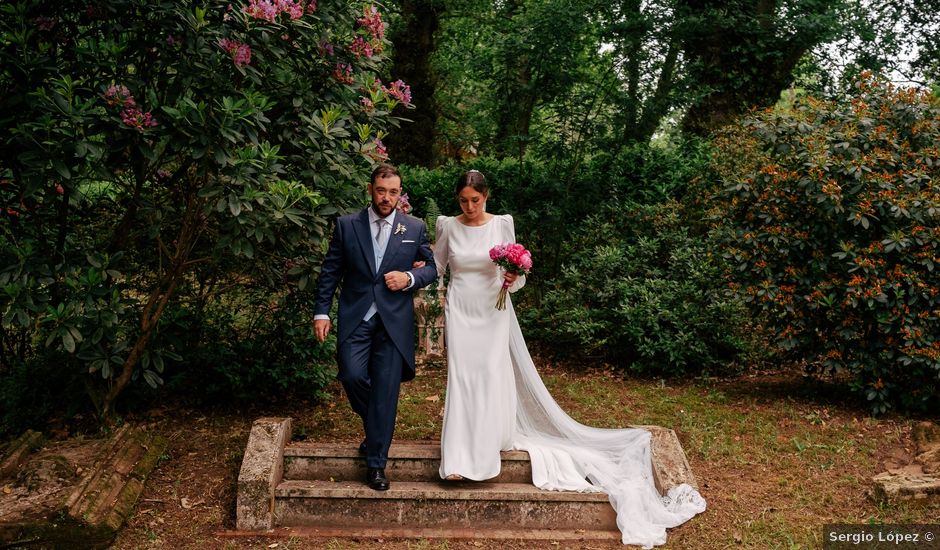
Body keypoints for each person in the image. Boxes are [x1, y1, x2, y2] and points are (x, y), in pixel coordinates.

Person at [433, 170, 706, 548]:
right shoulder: (447, 226)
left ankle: (489, 439)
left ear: (486, 197)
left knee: (490, 373)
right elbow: (439, 267)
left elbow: (519, 271)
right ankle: (460, 459)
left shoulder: (502, 225)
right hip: (462, 310)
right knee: (462, 377)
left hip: (493, 310)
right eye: (463, 201)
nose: (469, 207)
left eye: (475, 201)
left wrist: (514, 278)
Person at [313, 163, 437, 491]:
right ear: (371, 189)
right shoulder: (346, 226)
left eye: (393, 191)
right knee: (352, 375)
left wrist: (409, 277)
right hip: (357, 317)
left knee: (385, 390)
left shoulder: (414, 227)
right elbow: (330, 272)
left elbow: (433, 268)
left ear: (400, 193)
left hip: (394, 323)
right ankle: (377, 428)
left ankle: (376, 463)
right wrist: (322, 313)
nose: (387, 197)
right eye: (381, 190)